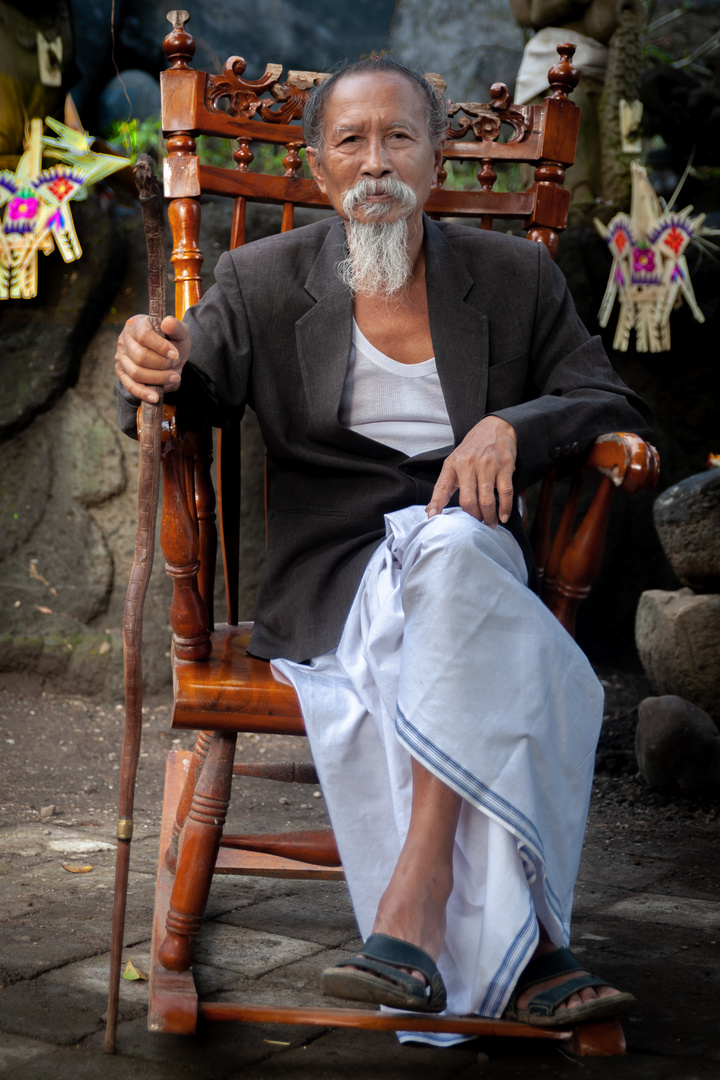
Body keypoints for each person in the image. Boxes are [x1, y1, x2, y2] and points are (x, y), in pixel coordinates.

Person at [115, 57, 651, 1041]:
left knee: (453, 553)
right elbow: (189, 392)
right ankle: (534, 953)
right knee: (465, 603)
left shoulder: (515, 275)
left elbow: (608, 402)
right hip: (342, 574)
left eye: (398, 137)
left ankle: (415, 901)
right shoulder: (259, 279)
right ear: (319, 168)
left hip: (475, 555)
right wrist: (148, 366)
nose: (375, 161)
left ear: (435, 158)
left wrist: (513, 430)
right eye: (351, 141)